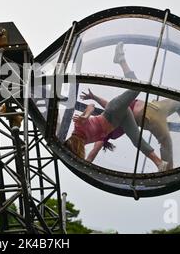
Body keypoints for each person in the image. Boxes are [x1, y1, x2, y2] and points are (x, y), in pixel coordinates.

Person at [64, 42, 168, 172]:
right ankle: (159, 164)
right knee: (136, 140)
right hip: (121, 119)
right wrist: (85, 167)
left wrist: (86, 115)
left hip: (111, 112)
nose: (79, 149)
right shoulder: (87, 141)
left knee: (136, 88)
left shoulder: (78, 126)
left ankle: (121, 60)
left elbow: (91, 107)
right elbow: (91, 155)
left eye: (75, 150)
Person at [83, 93, 180, 169]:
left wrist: (94, 97)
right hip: (148, 115)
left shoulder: (110, 113)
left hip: (154, 106)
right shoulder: (104, 133)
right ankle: (167, 170)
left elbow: (109, 105)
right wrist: (86, 163)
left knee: (179, 103)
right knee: (166, 141)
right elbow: (95, 150)